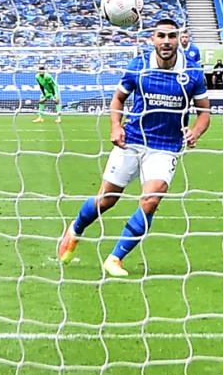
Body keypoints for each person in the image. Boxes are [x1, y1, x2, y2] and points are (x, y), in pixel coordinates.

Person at [58, 18, 211, 277]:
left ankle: (115, 258)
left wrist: (195, 131)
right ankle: (75, 230)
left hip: (166, 146)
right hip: (132, 140)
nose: (166, 41)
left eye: (171, 36)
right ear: (152, 39)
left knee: (151, 200)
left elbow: (204, 111)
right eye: (161, 36)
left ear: (178, 39)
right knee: (106, 200)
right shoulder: (138, 66)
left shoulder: (193, 72)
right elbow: (118, 98)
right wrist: (115, 126)